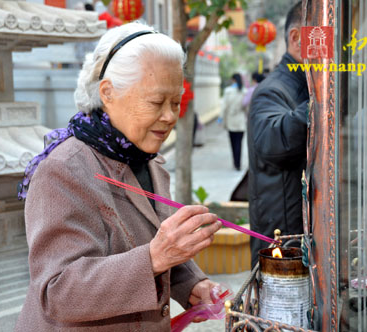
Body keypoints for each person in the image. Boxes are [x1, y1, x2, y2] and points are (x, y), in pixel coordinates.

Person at [15, 22, 223, 331]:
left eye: (175, 102)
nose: (168, 116)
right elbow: (57, 291)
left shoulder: (150, 162)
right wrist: (154, 257)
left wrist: (192, 284)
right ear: (108, 93)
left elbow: (152, 245)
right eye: (155, 102)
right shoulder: (62, 170)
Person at [247, 2, 309, 267]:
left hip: (304, 232)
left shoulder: (307, 83)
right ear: (296, 38)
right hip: (283, 240)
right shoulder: (273, 90)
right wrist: (326, 100)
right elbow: (274, 142)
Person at [221, 73, 246, 171]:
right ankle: (238, 163)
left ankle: (235, 163)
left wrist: (221, 117)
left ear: (233, 80)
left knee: (233, 143)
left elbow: (224, 106)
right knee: (239, 143)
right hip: (241, 121)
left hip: (231, 121)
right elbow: (247, 108)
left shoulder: (228, 91)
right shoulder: (244, 91)